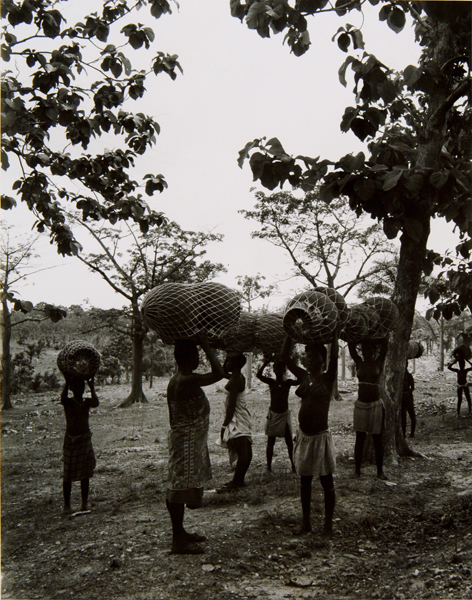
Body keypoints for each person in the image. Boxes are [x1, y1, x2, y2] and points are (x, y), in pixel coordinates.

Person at [166, 334, 226, 555]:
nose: (199, 359)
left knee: (178, 484)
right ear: (188, 358)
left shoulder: (176, 379)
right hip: (186, 440)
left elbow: (171, 416)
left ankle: (180, 533)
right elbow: (220, 373)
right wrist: (206, 345)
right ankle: (177, 540)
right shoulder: (186, 380)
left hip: (185, 439)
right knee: (179, 487)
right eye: (197, 355)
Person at [281, 328, 339, 538]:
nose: (311, 360)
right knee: (304, 481)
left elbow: (335, 355)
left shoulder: (328, 378)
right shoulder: (303, 376)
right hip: (304, 438)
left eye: (316, 357)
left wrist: (334, 333)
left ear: (323, 360)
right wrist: (290, 334)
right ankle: (306, 523)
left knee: (326, 481)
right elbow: (284, 359)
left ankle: (328, 525)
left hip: (320, 438)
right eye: (308, 356)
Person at [348, 338, 388, 480]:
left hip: (375, 405)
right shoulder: (359, 362)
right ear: (362, 350)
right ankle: (357, 470)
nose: (367, 352)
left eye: (370, 349)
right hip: (361, 405)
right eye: (364, 349)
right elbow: (351, 344)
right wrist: (361, 336)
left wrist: (374, 337)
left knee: (377, 439)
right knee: (360, 438)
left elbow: (385, 342)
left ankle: (380, 471)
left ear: (374, 350)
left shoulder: (379, 361)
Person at [61, 374, 99, 515]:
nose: (79, 389)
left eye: (81, 386)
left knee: (85, 474)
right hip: (71, 440)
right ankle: (67, 505)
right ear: (71, 388)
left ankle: (84, 503)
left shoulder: (86, 402)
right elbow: (62, 399)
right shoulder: (69, 402)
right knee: (68, 475)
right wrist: (66, 382)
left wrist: (92, 387)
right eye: (76, 386)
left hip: (84, 440)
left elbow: (96, 403)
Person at [256, 354, 298, 473]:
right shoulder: (271, 382)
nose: (278, 371)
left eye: (280, 368)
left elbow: (301, 379)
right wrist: (265, 363)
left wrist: (291, 364)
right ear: (274, 370)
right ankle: (269, 467)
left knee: (289, 442)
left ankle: (294, 466)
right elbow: (258, 375)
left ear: (284, 370)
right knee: (271, 441)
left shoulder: (288, 382)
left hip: (283, 415)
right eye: (276, 368)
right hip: (274, 414)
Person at [218, 353, 253, 492]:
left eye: (229, 361)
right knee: (246, 453)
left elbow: (231, 407)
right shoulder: (237, 377)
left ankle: (236, 482)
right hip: (242, 415)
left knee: (244, 453)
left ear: (236, 364)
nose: (226, 363)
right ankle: (238, 480)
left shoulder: (235, 380)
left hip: (237, 417)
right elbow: (221, 371)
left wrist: (224, 425)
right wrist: (228, 354)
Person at [447, 352, 472, 417]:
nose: (461, 366)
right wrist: (455, 361)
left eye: (462, 364)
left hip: (465, 385)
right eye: (460, 364)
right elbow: (449, 367)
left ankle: (469, 411)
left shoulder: (464, 370)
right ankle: (458, 413)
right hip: (460, 386)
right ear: (459, 365)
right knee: (460, 399)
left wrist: (467, 360)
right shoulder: (458, 371)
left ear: (464, 365)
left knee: (468, 398)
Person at [401, 363, 416, 438]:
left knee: (412, 415)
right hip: (401, 399)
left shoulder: (409, 376)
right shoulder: (399, 376)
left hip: (408, 398)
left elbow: (413, 387)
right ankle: (403, 434)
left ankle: (412, 433)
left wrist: (408, 392)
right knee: (403, 417)